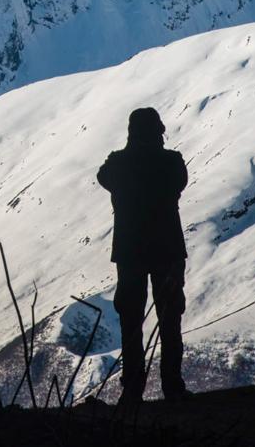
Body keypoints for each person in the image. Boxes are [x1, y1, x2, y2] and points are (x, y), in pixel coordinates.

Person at [96, 107, 189, 404]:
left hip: (130, 251)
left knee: (132, 321)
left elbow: (103, 176)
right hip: (167, 249)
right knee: (170, 318)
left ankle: (132, 391)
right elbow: (179, 183)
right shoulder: (172, 163)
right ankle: (172, 386)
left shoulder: (118, 164)